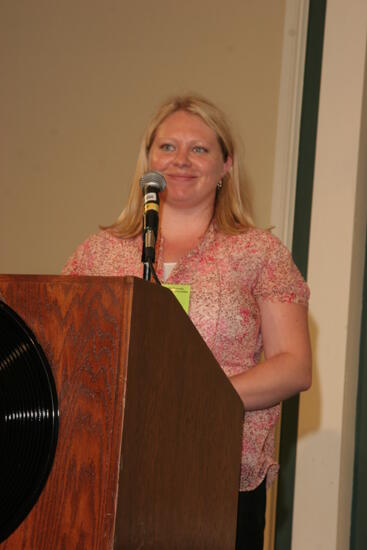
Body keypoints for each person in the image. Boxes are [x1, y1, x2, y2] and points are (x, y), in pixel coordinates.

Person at [62, 94, 312, 549]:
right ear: (148, 161)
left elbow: (293, 364)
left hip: (214, 471)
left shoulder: (258, 253)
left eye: (199, 149)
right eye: (167, 147)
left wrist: (195, 401)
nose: (181, 160)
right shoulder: (98, 253)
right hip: (105, 471)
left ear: (226, 166)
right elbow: (62, 348)